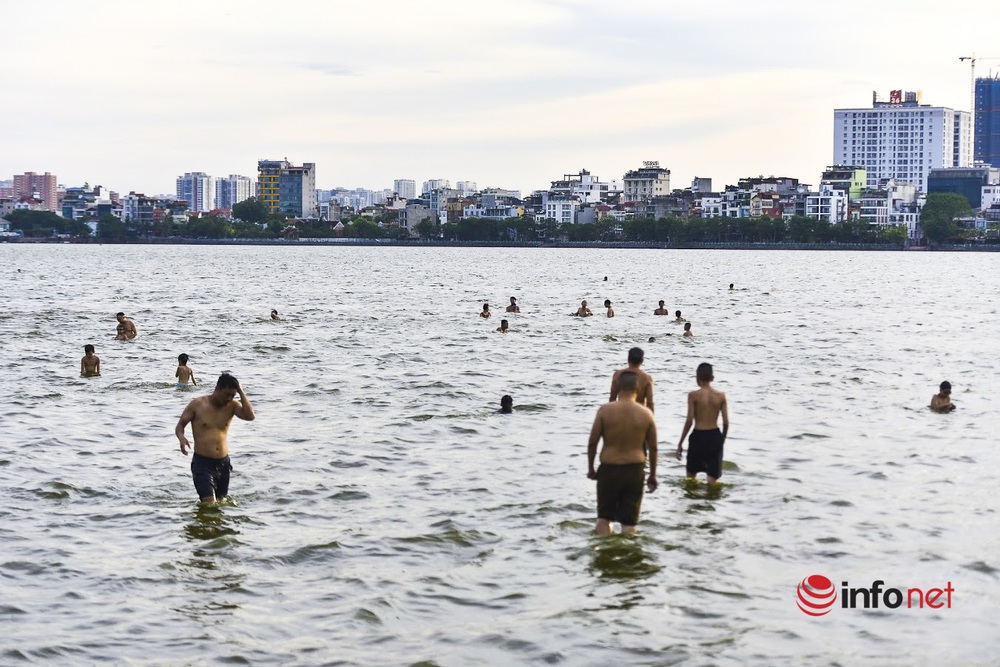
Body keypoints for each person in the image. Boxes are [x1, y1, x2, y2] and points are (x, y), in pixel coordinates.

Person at [587, 371, 658, 535]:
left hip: (609, 468)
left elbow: (592, 442)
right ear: (638, 389)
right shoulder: (646, 414)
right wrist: (652, 474)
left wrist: (591, 468)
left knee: (604, 519)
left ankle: (605, 554)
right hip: (634, 470)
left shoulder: (605, 411)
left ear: (618, 387)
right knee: (629, 523)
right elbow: (653, 448)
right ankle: (628, 556)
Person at [175, 373, 255, 503]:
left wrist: (241, 391)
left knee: (221, 503)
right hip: (202, 464)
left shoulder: (233, 406)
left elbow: (250, 416)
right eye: (226, 394)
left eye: (233, 395)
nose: (229, 398)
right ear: (217, 389)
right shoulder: (197, 404)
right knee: (209, 504)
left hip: (223, 463)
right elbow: (180, 425)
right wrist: (182, 438)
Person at [676, 363, 729, 484]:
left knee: (691, 475)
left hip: (698, 436)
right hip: (714, 436)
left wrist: (680, 443)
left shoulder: (693, 395)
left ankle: (692, 499)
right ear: (712, 378)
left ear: (697, 377)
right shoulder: (721, 396)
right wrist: (722, 439)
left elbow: (689, 420)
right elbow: (726, 422)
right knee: (712, 477)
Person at [609, 347, 654, 412]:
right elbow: (650, 403)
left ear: (628, 359)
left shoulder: (617, 375)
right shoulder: (647, 378)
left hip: (621, 412)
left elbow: (612, 399)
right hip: (639, 414)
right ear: (642, 361)